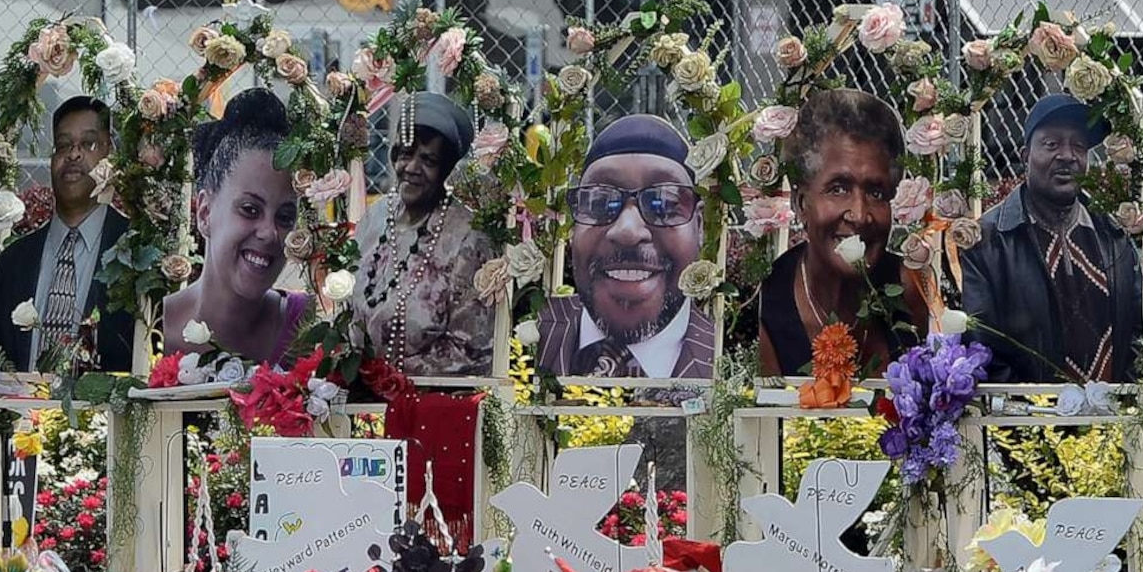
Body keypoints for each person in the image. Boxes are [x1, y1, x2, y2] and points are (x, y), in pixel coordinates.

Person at [743, 88, 929, 378]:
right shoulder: (768, 302)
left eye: (876, 192)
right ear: (801, 203)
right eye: (838, 189)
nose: (859, 214)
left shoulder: (908, 289)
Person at [959, 93, 1141, 386]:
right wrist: (1033, 412)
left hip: (1112, 419)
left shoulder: (1115, 236)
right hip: (1028, 423)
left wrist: (1125, 406)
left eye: (1079, 146)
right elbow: (983, 345)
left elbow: (1135, 334)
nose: (1067, 155)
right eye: (1051, 144)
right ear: (1024, 156)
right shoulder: (988, 241)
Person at [536, 114, 718, 381]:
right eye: (599, 202)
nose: (628, 231)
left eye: (663, 203)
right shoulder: (519, 339)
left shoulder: (731, 358)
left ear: (699, 226)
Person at [0, 97, 136, 372]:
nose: (73, 154)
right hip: (22, 413)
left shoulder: (137, 252)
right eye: (63, 145)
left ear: (111, 155)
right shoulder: (14, 261)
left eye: (88, 144)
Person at [350, 92, 500, 376]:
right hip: (359, 396)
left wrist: (386, 378)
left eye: (428, 161)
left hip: (430, 404)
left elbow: (470, 351)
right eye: (406, 154)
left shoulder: (468, 237)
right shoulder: (375, 218)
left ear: (445, 170)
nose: (412, 169)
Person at [161, 88, 314, 367]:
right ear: (205, 213)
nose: (269, 232)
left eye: (284, 217)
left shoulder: (304, 326)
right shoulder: (154, 326)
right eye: (250, 209)